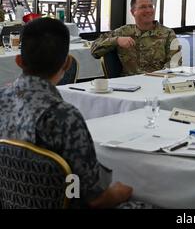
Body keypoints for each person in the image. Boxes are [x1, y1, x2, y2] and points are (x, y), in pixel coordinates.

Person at [0, 18, 134, 208]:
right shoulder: (63, 116)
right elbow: (95, 199)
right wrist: (120, 193)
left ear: (19, 61)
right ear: (67, 63)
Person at [91, 0, 181, 76]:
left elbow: (175, 62)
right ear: (133, 12)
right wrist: (116, 40)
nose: (148, 10)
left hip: (158, 82)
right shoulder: (123, 32)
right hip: (129, 84)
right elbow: (94, 51)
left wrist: (158, 77)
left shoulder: (167, 33)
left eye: (150, 6)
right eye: (143, 7)